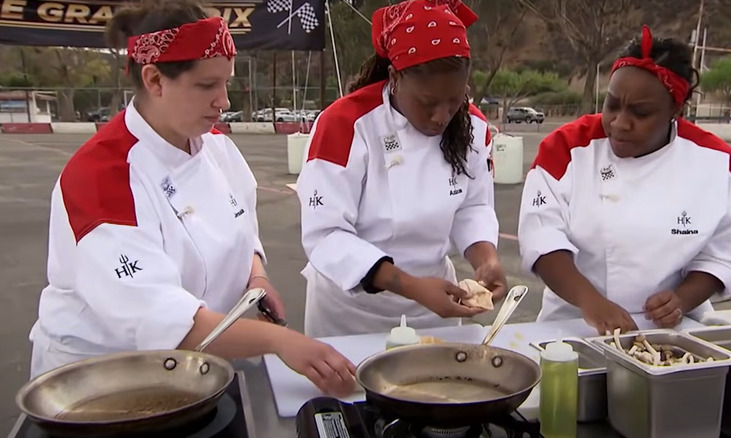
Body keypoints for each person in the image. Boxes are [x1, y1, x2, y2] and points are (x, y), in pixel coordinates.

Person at [27, 0, 355, 397]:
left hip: (194, 369)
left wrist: (257, 276)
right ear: (154, 80)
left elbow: (242, 227)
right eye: (206, 86)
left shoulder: (216, 148)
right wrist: (280, 342)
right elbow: (160, 319)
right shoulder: (101, 179)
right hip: (103, 385)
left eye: (225, 83)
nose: (224, 101)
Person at [517, 25, 731, 336]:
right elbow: (542, 238)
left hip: (674, 330)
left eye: (640, 113)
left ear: (675, 109)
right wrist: (591, 303)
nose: (619, 123)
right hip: (573, 323)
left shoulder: (715, 162)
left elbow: (722, 253)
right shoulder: (566, 149)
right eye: (612, 104)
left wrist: (681, 299)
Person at [296, 0, 508, 338]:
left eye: (454, 100)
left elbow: (473, 206)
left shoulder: (473, 128)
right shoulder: (345, 124)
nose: (442, 116)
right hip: (351, 314)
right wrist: (409, 285)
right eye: (427, 103)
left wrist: (486, 259)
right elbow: (326, 234)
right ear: (395, 77)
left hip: (435, 311)